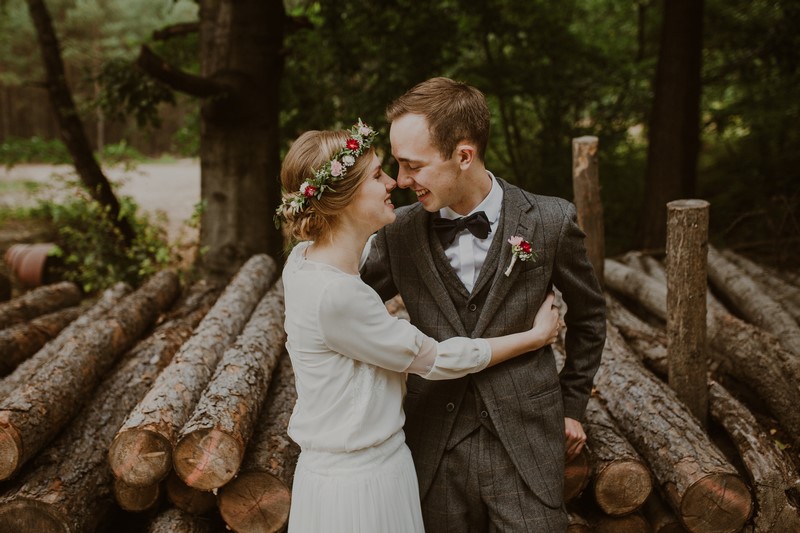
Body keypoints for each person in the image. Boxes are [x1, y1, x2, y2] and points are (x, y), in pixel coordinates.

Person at [276, 120, 563, 533]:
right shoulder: (336, 295)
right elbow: (436, 358)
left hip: (358, 469)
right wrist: (535, 337)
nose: (394, 182)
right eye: (378, 175)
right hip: (360, 485)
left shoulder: (303, 258)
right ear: (341, 199)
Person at [361, 77, 607, 531]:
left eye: (412, 165)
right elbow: (353, 310)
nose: (400, 180)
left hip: (526, 443)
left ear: (464, 155)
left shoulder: (550, 221)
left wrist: (572, 406)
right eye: (397, 165)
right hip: (432, 446)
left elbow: (590, 317)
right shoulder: (397, 233)